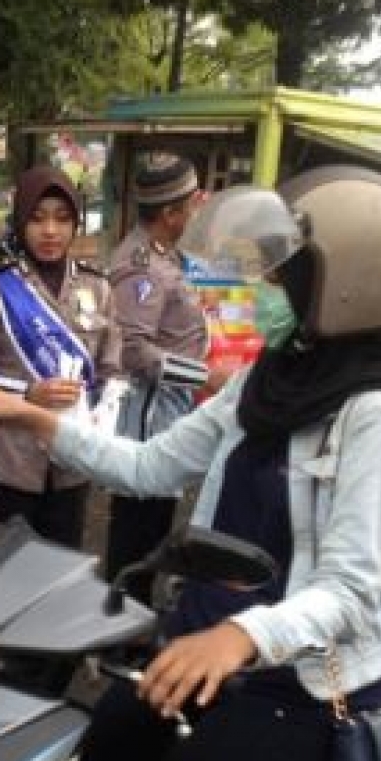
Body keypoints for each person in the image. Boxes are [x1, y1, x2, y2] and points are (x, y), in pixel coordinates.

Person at [0, 167, 381, 761]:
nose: (261, 290)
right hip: (198, 649)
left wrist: (241, 635)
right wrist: (34, 420)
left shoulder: (374, 415)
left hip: (297, 687)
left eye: (279, 275)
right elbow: (149, 465)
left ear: (342, 285)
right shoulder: (265, 380)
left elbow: (351, 588)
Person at [0, 165, 121, 547]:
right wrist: (26, 394)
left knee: (61, 568)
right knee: (1, 570)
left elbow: (111, 370)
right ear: (20, 222)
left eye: (62, 218)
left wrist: (101, 415)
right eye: (37, 219)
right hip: (10, 462)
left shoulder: (98, 287)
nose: (50, 231)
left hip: (72, 463)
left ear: (76, 224)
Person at [105, 152, 216, 600]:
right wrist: (205, 376)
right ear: (170, 214)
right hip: (148, 418)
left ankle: (132, 613)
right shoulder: (142, 267)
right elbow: (133, 350)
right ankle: (120, 617)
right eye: (193, 203)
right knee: (139, 532)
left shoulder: (166, 256)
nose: (199, 209)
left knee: (154, 529)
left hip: (169, 409)